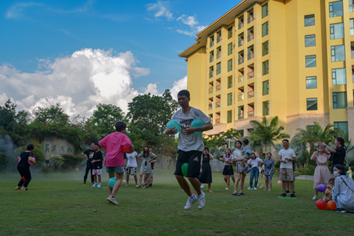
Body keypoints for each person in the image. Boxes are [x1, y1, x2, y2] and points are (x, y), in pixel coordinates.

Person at [165, 90, 213, 210]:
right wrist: (167, 131)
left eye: (183, 98)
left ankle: (201, 194)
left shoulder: (196, 112)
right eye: (179, 99)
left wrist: (194, 129)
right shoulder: (176, 115)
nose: (181, 101)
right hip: (182, 148)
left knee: (191, 176)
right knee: (178, 175)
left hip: (195, 148)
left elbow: (210, 125)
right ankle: (191, 197)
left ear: (188, 99)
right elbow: (170, 128)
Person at [99, 121, 133, 205]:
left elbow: (100, 143)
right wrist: (131, 150)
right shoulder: (123, 136)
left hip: (109, 159)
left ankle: (110, 195)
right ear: (123, 129)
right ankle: (112, 196)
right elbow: (129, 144)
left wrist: (108, 147)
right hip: (117, 159)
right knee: (119, 178)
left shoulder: (109, 136)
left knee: (111, 178)